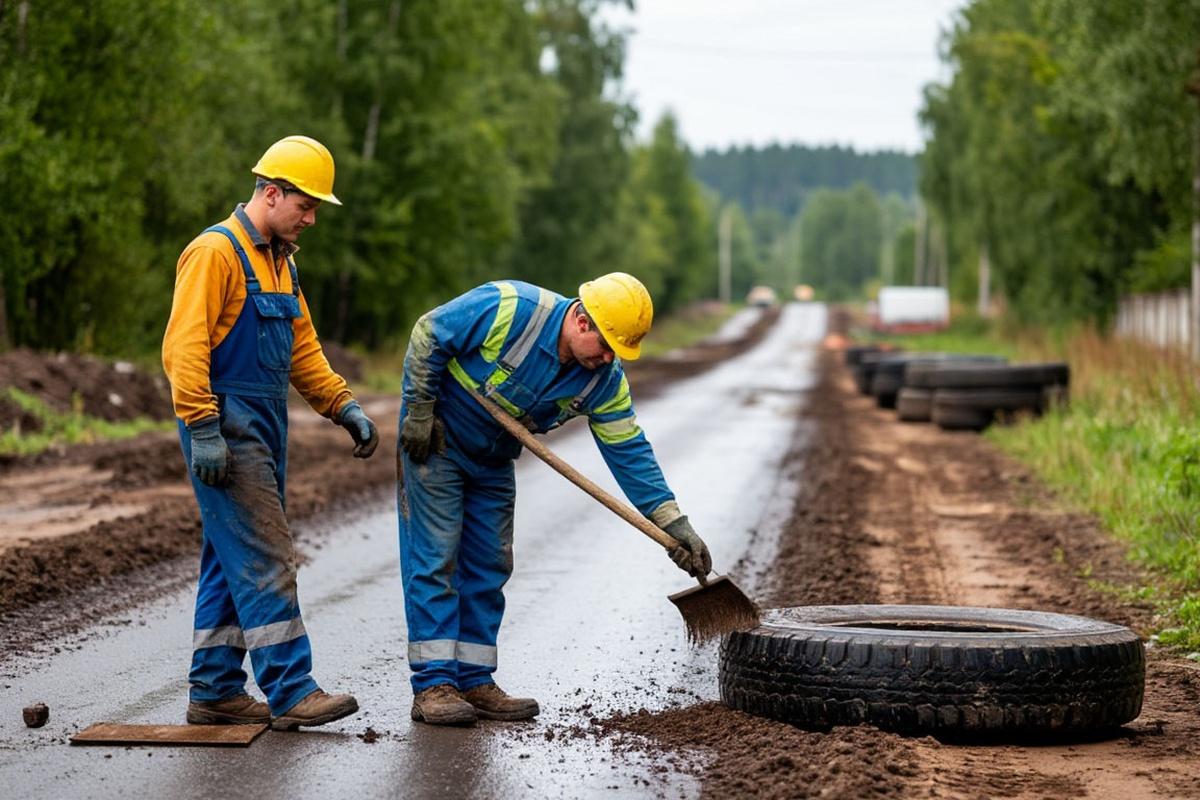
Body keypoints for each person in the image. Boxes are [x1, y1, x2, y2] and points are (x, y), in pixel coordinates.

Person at [397, 273, 712, 726]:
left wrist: (673, 523)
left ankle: (475, 679)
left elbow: (630, 453)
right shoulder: (510, 307)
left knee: (489, 564)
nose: (607, 359)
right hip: (437, 442)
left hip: (494, 459)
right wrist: (420, 407)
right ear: (581, 320)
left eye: (616, 354)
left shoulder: (604, 381)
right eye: (605, 346)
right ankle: (434, 685)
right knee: (437, 558)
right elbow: (429, 332)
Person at [162, 135, 379, 731]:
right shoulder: (216, 253)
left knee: (229, 555)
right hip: (225, 424)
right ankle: (291, 688)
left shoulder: (280, 261)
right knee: (264, 552)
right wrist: (203, 425)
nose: (310, 219)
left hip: (265, 422)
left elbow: (303, 350)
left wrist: (343, 405)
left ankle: (214, 690)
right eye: (305, 206)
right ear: (272, 193)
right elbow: (184, 347)